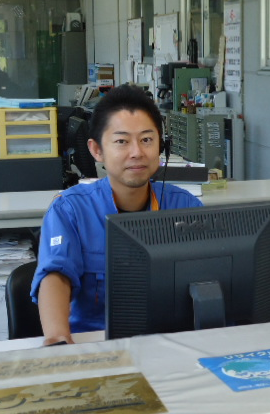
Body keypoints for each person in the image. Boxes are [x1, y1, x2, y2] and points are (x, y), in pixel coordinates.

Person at [31, 85, 203, 345]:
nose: (137, 152)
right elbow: (56, 275)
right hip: (97, 344)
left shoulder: (185, 207)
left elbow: (214, 277)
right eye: (122, 141)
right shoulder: (70, 210)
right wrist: (57, 339)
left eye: (147, 139)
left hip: (171, 343)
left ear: (161, 146)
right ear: (97, 150)